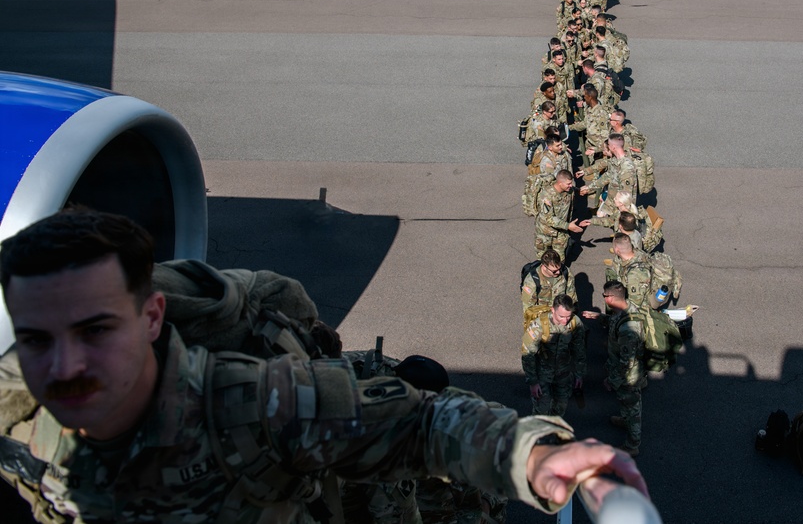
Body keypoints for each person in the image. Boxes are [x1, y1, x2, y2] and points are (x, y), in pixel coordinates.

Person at [0, 209, 646, 522]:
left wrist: (530, 455)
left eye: (95, 329)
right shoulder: (15, 420)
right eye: (35, 339)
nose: (64, 365)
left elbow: (420, 425)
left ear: (151, 316)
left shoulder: (257, 406)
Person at [583, 281, 644, 457]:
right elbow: (614, 321)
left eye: (604, 296)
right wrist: (599, 317)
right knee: (626, 403)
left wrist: (612, 380)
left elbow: (627, 362)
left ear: (609, 298)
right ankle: (625, 419)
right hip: (623, 369)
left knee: (633, 408)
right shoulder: (626, 309)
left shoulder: (628, 329)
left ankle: (632, 444)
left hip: (629, 376)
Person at [521, 295, 586, 416]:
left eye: (568, 316)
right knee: (542, 409)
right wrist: (533, 382)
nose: (565, 320)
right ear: (552, 310)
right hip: (542, 373)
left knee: (561, 407)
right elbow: (528, 355)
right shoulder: (538, 326)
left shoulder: (575, 323)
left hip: (563, 373)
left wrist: (579, 374)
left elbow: (579, 350)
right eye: (561, 316)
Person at [579, 133, 639, 217]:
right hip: (613, 201)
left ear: (613, 147)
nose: (607, 147)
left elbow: (626, 197)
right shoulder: (614, 160)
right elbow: (607, 177)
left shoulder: (627, 168)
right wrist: (589, 188)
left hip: (622, 209)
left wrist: (623, 216)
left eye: (609, 145)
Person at [535, 169, 589, 261]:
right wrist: (568, 226)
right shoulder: (546, 196)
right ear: (560, 183)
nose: (571, 185)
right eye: (568, 184)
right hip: (546, 233)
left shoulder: (569, 190)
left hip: (561, 232)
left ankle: (560, 273)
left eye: (571, 183)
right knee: (543, 260)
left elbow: (576, 190)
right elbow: (549, 218)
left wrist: (584, 189)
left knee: (560, 259)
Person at [521, 248, 577, 313]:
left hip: (561, 314)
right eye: (554, 271)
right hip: (543, 317)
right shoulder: (531, 281)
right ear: (544, 267)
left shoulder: (565, 272)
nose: (558, 272)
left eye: (559, 268)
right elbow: (528, 308)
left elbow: (571, 294)